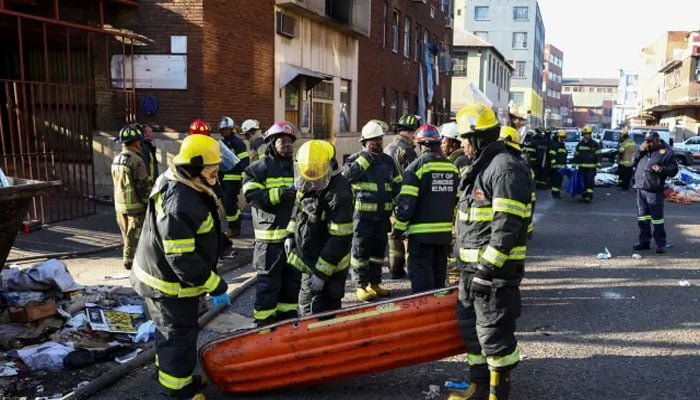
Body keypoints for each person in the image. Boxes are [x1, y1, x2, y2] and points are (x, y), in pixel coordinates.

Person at [130, 134, 230, 400]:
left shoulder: (187, 184)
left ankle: (175, 377)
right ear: (195, 169)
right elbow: (181, 260)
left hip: (168, 279)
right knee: (177, 337)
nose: (215, 175)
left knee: (173, 336)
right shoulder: (180, 201)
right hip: (167, 285)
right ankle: (178, 391)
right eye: (212, 170)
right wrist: (214, 284)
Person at [448, 103, 532, 400]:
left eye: (466, 139)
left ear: (480, 137)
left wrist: (487, 270)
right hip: (472, 273)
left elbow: (507, 226)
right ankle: (478, 388)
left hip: (493, 275)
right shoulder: (483, 167)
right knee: (472, 333)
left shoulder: (505, 168)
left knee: (494, 336)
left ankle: (497, 395)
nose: (463, 145)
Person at [242, 121, 300, 326]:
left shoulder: (297, 168)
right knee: (268, 286)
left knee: (292, 283)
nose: (287, 145)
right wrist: (281, 195)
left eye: (290, 142)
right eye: (282, 141)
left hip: (292, 239)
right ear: (271, 143)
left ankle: (287, 323)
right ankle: (264, 327)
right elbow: (252, 195)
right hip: (269, 242)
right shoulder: (258, 168)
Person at [286, 140, 353, 316]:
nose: (313, 180)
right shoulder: (306, 179)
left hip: (331, 266)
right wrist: (289, 234)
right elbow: (298, 210)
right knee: (306, 307)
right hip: (310, 260)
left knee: (324, 311)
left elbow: (340, 238)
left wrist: (322, 274)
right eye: (309, 175)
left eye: (317, 175)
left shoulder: (340, 193)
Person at [393, 124, 459, 293]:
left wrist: (398, 229)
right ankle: (439, 312)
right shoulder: (451, 168)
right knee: (439, 277)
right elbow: (456, 200)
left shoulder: (415, 168)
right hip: (444, 235)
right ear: (437, 142)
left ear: (421, 144)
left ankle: (425, 314)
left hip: (421, 236)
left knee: (422, 278)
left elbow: (407, 203)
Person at [343, 120, 401, 301]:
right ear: (364, 142)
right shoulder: (355, 160)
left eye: (379, 140)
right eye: (373, 140)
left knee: (377, 254)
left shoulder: (388, 161)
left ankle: (374, 283)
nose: (377, 143)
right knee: (360, 253)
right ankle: (360, 285)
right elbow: (346, 178)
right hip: (362, 219)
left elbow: (398, 185)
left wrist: (397, 206)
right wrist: (366, 158)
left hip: (382, 217)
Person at [384, 114, 420, 279]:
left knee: (394, 238)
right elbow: (412, 176)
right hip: (404, 199)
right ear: (407, 132)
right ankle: (412, 272)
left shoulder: (388, 148)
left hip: (389, 199)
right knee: (407, 237)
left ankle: (395, 270)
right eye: (414, 132)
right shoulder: (408, 151)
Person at [111, 124, 151, 271]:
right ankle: (131, 264)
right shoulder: (136, 160)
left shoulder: (116, 159)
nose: (140, 144)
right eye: (139, 141)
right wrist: (149, 203)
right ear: (135, 142)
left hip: (120, 205)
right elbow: (142, 185)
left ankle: (129, 261)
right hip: (135, 206)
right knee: (134, 238)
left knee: (125, 235)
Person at [632, 131, 678, 254]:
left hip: (654, 190)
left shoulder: (666, 153)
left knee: (657, 219)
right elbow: (633, 162)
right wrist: (640, 150)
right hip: (641, 188)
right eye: (647, 141)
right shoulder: (644, 151)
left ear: (657, 140)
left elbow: (674, 170)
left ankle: (660, 244)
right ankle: (644, 241)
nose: (648, 143)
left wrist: (661, 169)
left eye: (651, 141)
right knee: (642, 217)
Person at [217, 116, 249, 238]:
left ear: (232, 129)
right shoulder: (223, 143)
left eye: (227, 129)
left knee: (229, 204)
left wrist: (241, 175)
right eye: (223, 129)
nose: (225, 131)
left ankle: (233, 227)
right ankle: (236, 223)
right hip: (223, 178)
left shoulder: (237, 142)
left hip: (233, 179)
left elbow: (244, 161)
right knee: (227, 203)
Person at [573, 125, 601, 203]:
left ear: (590, 134)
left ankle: (589, 197)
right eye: (585, 134)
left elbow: (598, 155)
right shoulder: (580, 144)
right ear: (583, 135)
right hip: (582, 167)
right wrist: (574, 164)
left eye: (588, 134)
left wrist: (598, 164)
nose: (586, 135)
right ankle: (584, 196)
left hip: (591, 167)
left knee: (590, 182)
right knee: (583, 182)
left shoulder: (595, 144)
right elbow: (576, 155)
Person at [548, 129, 568, 199]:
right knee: (556, 182)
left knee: (559, 181)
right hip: (556, 167)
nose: (562, 139)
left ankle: (556, 193)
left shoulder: (562, 146)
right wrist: (554, 163)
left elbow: (564, 156)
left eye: (563, 137)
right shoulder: (555, 145)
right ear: (557, 137)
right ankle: (555, 194)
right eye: (561, 137)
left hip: (561, 167)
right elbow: (551, 154)